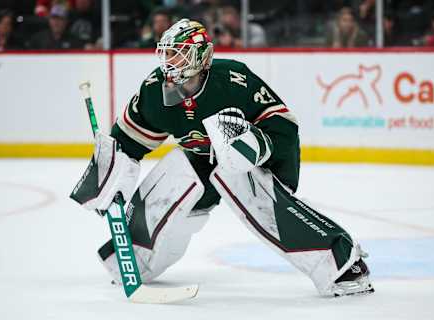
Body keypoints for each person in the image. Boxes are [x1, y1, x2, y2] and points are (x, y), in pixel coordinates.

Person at [71, 19, 374, 297]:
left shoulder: (233, 79)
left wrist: (257, 148)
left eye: (179, 54)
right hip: (201, 160)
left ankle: (342, 262)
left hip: (253, 163)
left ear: (202, 56)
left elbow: (283, 125)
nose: (170, 62)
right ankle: (135, 259)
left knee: (234, 166)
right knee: (175, 171)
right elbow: (126, 141)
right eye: (167, 54)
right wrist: (110, 178)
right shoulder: (154, 91)